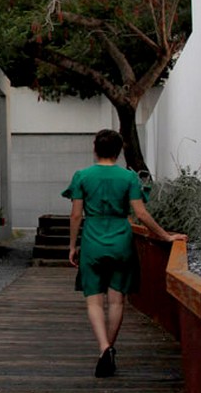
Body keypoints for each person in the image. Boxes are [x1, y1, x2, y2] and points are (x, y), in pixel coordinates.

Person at [61, 129, 187, 378]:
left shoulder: (82, 176)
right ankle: (110, 346)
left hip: (93, 240)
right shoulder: (128, 177)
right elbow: (141, 213)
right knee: (117, 300)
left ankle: (103, 347)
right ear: (119, 151)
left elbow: (76, 215)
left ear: (95, 148)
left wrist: (72, 246)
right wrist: (165, 236)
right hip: (121, 240)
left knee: (94, 300)